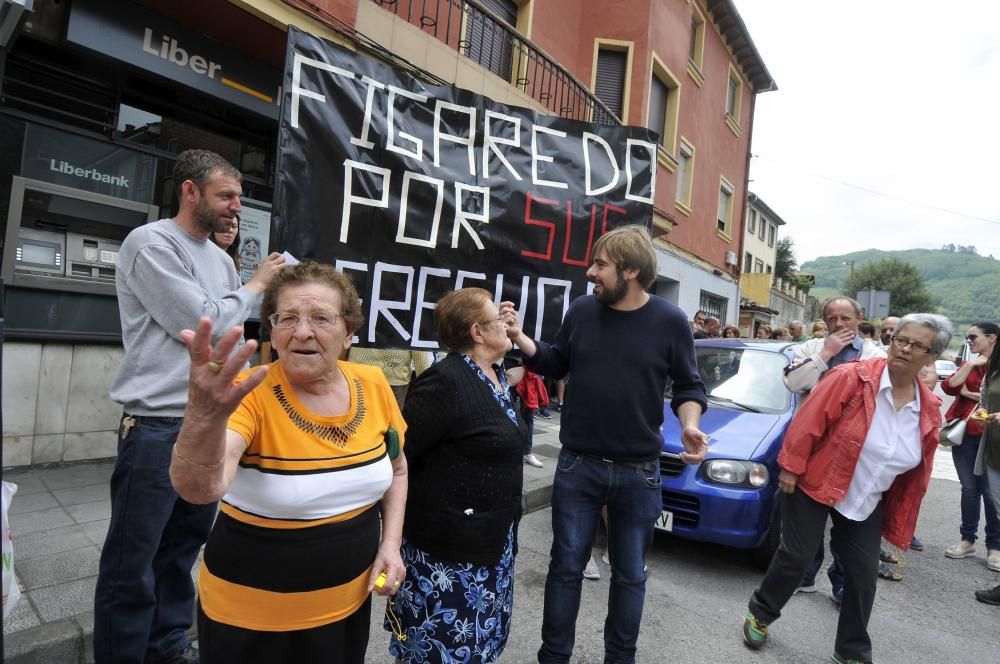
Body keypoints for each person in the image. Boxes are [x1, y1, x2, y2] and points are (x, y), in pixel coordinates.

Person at [94, 149, 285, 664]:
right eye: (226, 195)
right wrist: (255, 286)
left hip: (208, 427)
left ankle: (168, 650)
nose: (236, 207)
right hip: (157, 426)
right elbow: (206, 322)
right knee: (132, 564)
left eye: (240, 198)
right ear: (190, 191)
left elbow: (230, 335)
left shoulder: (220, 260)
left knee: (180, 555)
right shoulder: (150, 243)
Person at [169, 262, 407, 663]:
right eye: (287, 318)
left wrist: (391, 544)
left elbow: (397, 469)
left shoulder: (374, 383)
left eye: (320, 318)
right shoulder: (250, 394)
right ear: (273, 332)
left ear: (349, 332)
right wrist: (203, 416)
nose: (302, 331)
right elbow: (197, 489)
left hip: (347, 609)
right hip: (250, 625)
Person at [500, 225, 708, 664]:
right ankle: (553, 657)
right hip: (579, 465)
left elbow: (691, 386)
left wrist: (689, 425)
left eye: (601, 265)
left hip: (638, 472)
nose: (591, 272)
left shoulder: (671, 322)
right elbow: (558, 360)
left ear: (631, 270)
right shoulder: (582, 310)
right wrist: (520, 339)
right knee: (565, 568)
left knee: (630, 575)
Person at [742, 313, 952, 664]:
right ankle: (761, 613)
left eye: (917, 345)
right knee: (797, 556)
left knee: (862, 575)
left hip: (867, 497)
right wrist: (791, 468)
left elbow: (920, 467)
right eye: (900, 339)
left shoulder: (927, 406)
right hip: (814, 482)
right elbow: (808, 421)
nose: (904, 348)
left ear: (931, 357)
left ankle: (851, 650)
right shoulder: (852, 377)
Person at [387, 287, 527, 663]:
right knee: (441, 652)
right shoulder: (444, 381)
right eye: (497, 319)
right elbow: (401, 458)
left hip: (490, 548)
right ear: (477, 332)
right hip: (447, 558)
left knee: (476, 649)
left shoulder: (493, 375)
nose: (505, 323)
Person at [783, 297, 886, 600]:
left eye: (846, 318)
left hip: (853, 453)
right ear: (824, 321)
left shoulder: (875, 357)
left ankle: (841, 583)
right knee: (807, 521)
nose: (839, 324)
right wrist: (827, 353)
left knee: (846, 522)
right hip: (812, 447)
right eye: (832, 319)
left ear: (859, 318)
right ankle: (805, 575)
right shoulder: (811, 349)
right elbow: (793, 382)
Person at [940, 322, 1000, 569]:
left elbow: (976, 395)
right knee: (969, 489)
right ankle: (967, 540)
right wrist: (972, 365)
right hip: (966, 434)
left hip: (992, 438)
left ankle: (994, 547)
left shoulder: (996, 367)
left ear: (992, 338)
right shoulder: (972, 363)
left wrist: (969, 394)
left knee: (991, 492)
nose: (969, 341)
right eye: (966, 337)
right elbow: (950, 387)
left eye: (973, 337)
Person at [974, 328, 1000, 605]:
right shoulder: (993, 368)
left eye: (974, 337)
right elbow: (984, 400)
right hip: (995, 452)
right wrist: (981, 414)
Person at [347, 347, 432, 407]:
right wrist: (426, 386)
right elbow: (417, 345)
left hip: (357, 372)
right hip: (393, 379)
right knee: (392, 426)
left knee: (358, 424)